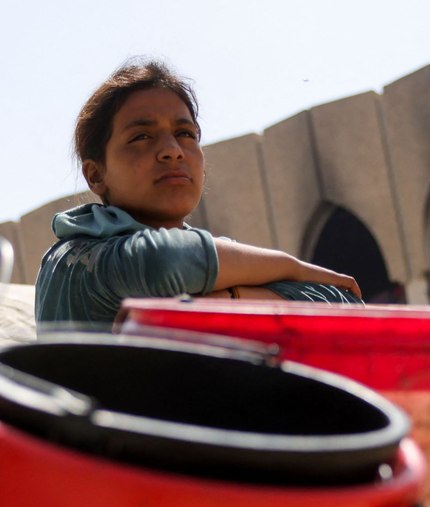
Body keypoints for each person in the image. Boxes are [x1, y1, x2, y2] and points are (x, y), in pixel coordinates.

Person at [35, 60, 361, 334]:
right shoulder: (75, 257)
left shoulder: (218, 264)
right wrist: (295, 268)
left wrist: (229, 300)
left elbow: (342, 302)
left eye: (185, 134)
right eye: (142, 136)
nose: (172, 151)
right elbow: (161, 263)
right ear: (96, 174)